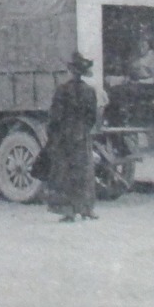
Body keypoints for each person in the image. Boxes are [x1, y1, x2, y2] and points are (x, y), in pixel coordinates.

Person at [45, 52, 99, 222]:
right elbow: (92, 117)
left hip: (64, 136)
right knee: (84, 172)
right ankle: (86, 209)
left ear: (70, 71)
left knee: (64, 172)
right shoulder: (90, 91)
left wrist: (53, 134)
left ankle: (68, 211)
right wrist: (84, 130)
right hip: (82, 136)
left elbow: (55, 116)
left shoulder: (62, 90)